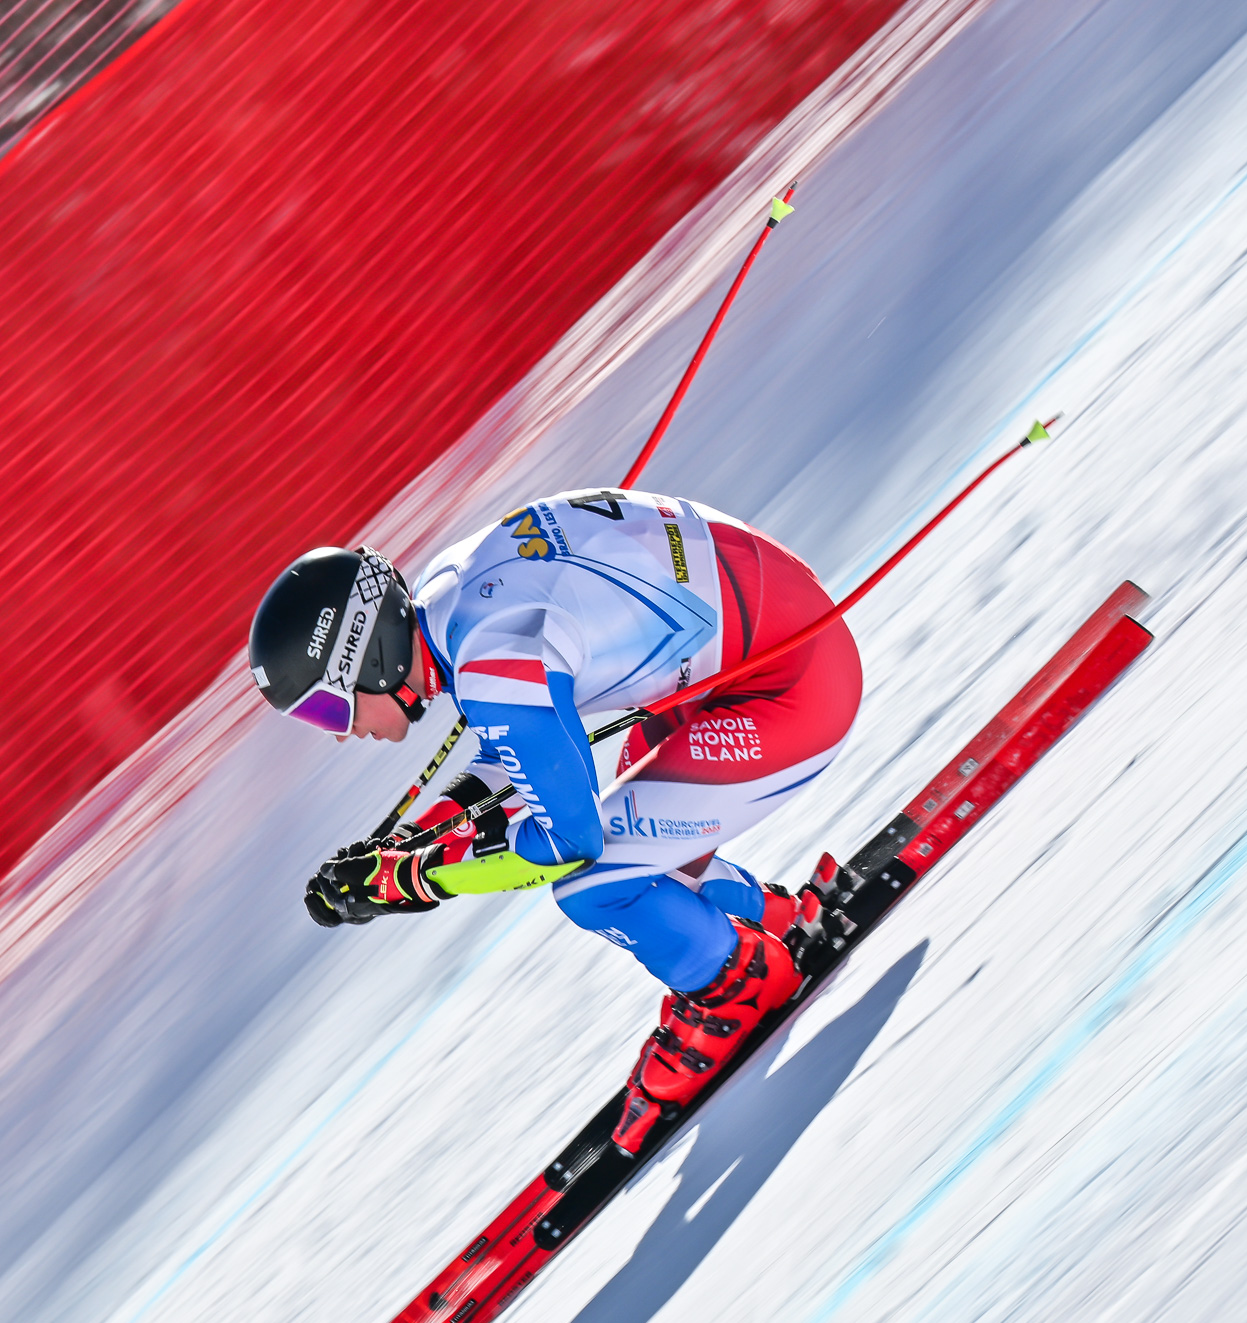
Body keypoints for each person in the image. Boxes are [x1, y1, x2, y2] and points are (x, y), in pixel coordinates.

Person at [248, 489, 862, 1153]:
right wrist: (407, 847)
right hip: (757, 647)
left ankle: (738, 986)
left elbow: (568, 843)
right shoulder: (451, 599)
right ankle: (770, 920)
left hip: (791, 685)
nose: (340, 733)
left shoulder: (490, 660)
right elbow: (517, 756)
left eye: (329, 710)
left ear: (368, 660)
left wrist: (418, 878)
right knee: (636, 824)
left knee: (593, 883)